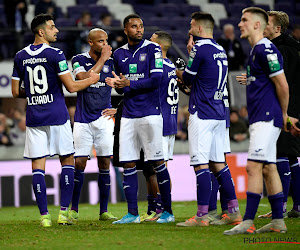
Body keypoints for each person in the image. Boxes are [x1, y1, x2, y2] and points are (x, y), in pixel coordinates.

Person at [11, 13, 100, 227]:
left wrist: (34, 94)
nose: (56, 30)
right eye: (52, 27)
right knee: (67, 160)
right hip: (58, 115)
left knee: (37, 166)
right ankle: (62, 214)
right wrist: (92, 79)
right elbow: (71, 87)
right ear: (41, 32)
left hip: (35, 117)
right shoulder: (55, 54)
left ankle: (44, 217)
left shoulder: (20, 56)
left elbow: (15, 92)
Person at [224, 7, 291, 235]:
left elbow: (282, 85)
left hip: (267, 117)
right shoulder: (255, 51)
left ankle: (248, 221)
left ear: (256, 25)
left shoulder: (265, 49)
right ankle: (278, 221)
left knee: (253, 166)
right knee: (269, 169)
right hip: (261, 117)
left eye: (244, 20)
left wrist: (283, 115)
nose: (239, 23)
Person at [105, 14, 174, 224]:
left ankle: (168, 212)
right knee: (128, 164)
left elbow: (156, 79)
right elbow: (119, 81)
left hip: (150, 114)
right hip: (128, 116)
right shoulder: (118, 54)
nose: (139, 29)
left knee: (157, 162)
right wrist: (117, 84)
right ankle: (132, 213)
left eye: (141, 26)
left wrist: (128, 85)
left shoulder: (152, 49)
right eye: (134, 27)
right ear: (125, 30)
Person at [176, 12, 241, 227]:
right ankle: (233, 211)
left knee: (201, 165)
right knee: (219, 163)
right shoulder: (220, 48)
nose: (189, 28)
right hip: (218, 112)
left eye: (192, 25)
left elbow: (187, 78)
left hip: (202, 112)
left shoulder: (199, 48)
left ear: (200, 29)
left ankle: (202, 216)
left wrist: (181, 68)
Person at [69, 28, 117, 222]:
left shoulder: (113, 61)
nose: (105, 45)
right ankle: (73, 209)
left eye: (106, 41)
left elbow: (126, 84)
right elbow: (84, 79)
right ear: (90, 42)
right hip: (82, 119)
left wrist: (118, 108)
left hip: (104, 118)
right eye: (100, 41)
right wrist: (103, 59)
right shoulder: (77, 59)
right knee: (79, 163)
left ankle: (104, 211)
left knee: (104, 162)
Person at [259, 11, 300, 219]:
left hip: (287, 109)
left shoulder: (282, 50)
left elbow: (283, 82)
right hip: (292, 108)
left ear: (277, 29)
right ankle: (297, 206)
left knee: (281, 153)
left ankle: (280, 208)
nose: (263, 27)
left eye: (267, 24)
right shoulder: (293, 47)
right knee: (292, 156)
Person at [139, 31, 179, 223]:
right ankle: (159, 209)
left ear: (159, 46)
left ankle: (164, 210)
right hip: (170, 121)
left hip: (160, 122)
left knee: (159, 168)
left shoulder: (158, 67)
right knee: (159, 168)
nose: (147, 42)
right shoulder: (171, 65)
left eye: (152, 40)